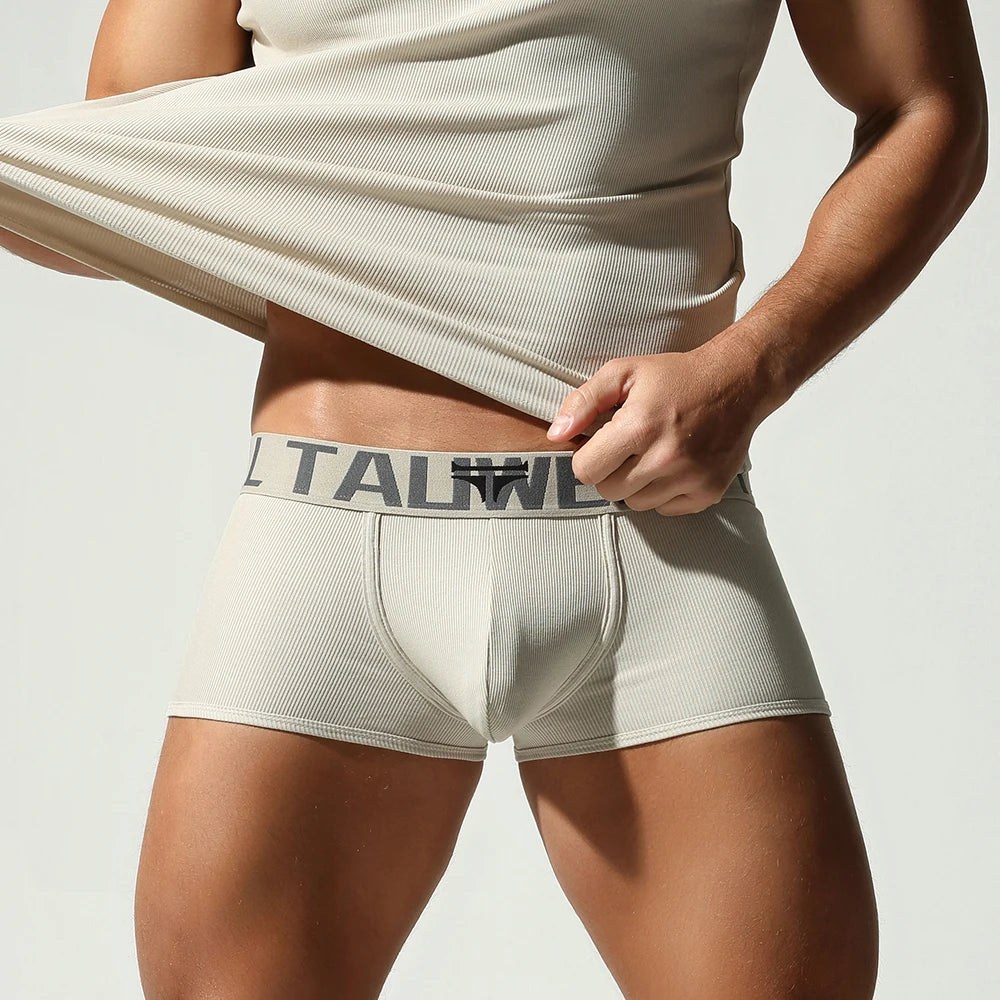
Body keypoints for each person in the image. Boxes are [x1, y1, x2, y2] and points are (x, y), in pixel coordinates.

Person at [1, 0, 987, 997]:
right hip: (330, 538)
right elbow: (119, 171)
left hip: (650, 537)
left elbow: (926, 108)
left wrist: (750, 370)